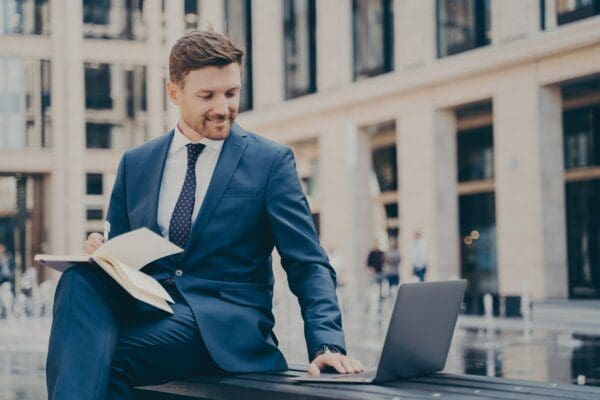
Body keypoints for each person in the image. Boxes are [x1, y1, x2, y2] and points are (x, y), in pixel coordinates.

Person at [46, 30, 363, 400]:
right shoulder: (136, 163)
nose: (222, 107)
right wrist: (105, 255)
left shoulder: (270, 162)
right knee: (77, 281)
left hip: (223, 326)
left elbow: (308, 262)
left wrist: (327, 345)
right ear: (174, 93)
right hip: (152, 312)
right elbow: (125, 256)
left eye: (231, 93)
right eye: (206, 96)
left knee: (100, 358)